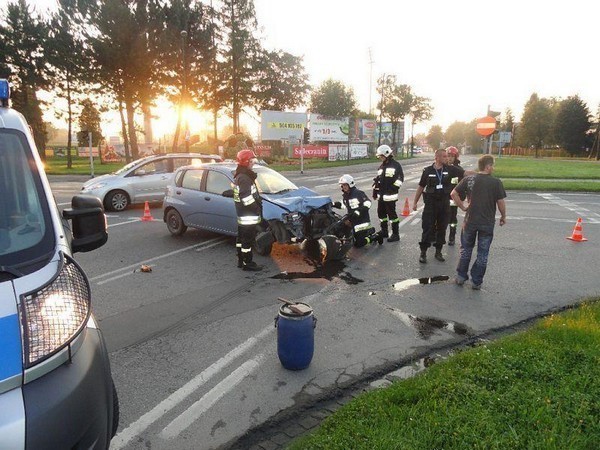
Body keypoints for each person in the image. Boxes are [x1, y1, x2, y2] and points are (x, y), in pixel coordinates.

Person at [450, 154, 507, 290]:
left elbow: (453, 193)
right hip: (487, 223)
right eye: (493, 165)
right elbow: (500, 202)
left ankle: (461, 277)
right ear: (488, 166)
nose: (493, 168)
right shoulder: (496, 182)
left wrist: (463, 207)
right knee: (483, 252)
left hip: (470, 221)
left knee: (466, 250)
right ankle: (476, 281)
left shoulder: (469, 179)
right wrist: (503, 216)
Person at [412, 148, 462, 263]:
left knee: (442, 228)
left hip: (444, 205)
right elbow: (421, 186)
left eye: (447, 156)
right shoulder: (427, 170)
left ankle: (438, 252)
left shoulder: (450, 169)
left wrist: (481, 174)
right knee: (427, 228)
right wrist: (415, 202)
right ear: (437, 158)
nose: (447, 158)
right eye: (444, 156)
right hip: (430, 204)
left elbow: (464, 173)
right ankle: (423, 252)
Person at [233, 149, 263, 271]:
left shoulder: (240, 176)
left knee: (240, 239)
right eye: (251, 161)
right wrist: (257, 209)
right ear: (246, 162)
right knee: (247, 241)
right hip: (248, 216)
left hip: (242, 215)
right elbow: (246, 198)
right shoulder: (244, 178)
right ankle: (248, 263)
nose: (253, 163)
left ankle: (241, 260)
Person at [336, 174, 383, 247]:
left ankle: (376, 236)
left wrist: (359, 211)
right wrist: (333, 204)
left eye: (345, 185)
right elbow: (344, 205)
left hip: (362, 221)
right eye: (342, 185)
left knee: (358, 244)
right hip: (353, 219)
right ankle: (369, 231)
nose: (343, 187)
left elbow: (368, 202)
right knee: (341, 227)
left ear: (350, 184)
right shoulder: (346, 195)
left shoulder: (358, 193)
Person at [372, 144, 404, 242]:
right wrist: (375, 189)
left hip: (390, 196)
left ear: (387, 154)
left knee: (392, 216)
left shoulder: (396, 165)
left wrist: (393, 188)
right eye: (379, 156)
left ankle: (395, 234)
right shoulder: (382, 166)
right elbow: (379, 180)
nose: (380, 158)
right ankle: (384, 231)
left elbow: (400, 179)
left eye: (381, 156)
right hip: (381, 196)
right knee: (381, 214)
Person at [445, 146, 466, 245]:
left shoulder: (459, 170)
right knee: (439, 218)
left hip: (453, 200)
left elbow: (463, 186)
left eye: (452, 156)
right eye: (448, 156)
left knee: (452, 219)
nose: (449, 158)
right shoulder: (443, 167)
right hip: (442, 199)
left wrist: (461, 198)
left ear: (456, 157)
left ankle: (452, 236)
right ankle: (436, 236)